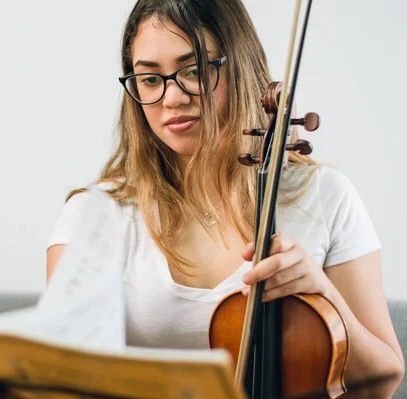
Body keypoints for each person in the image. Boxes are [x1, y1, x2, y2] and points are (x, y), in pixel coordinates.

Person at [46, 0, 404, 394]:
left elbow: (382, 382)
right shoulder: (92, 217)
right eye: (150, 79)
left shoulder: (325, 197)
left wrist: (326, 296)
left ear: (241, 67)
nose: (172, 98)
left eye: (195, 70)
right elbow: (60, 383)